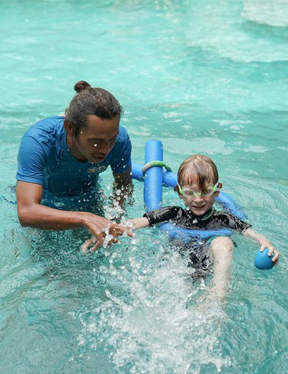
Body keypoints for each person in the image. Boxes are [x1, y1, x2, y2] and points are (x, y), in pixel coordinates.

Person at [82, 154, 280, 299]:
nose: (199, 199)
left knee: (223, 242)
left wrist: (267, 244)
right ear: (179, 193)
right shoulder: (173, 214)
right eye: (190, 193)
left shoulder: (224, 219)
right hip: (175, 271)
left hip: (209, 268)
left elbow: (253, 234)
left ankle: (217, 297)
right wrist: (106, 231)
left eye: (206, 192)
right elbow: (135, 223)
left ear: (217, 191)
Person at [16, 80, 133, 245]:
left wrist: (113, 221)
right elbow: (27, 211)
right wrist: (85, 218)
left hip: (88, 200)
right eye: (96, 141)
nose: (105, 150)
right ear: (70, 128)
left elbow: (123, 185)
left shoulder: (120, 140)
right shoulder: (38, 141)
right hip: (45, 204)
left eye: (111, 139)